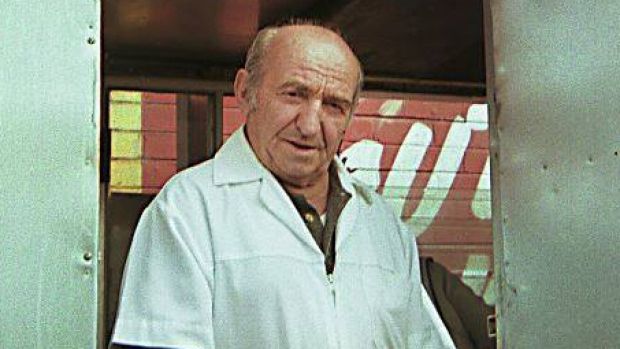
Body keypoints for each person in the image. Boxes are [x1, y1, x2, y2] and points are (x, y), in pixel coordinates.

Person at [110, 20, 454, 349]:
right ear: (246, 92)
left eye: (333, 105)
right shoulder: (188, 210)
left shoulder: (383, 225)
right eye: (294, 95)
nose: (309, 125)